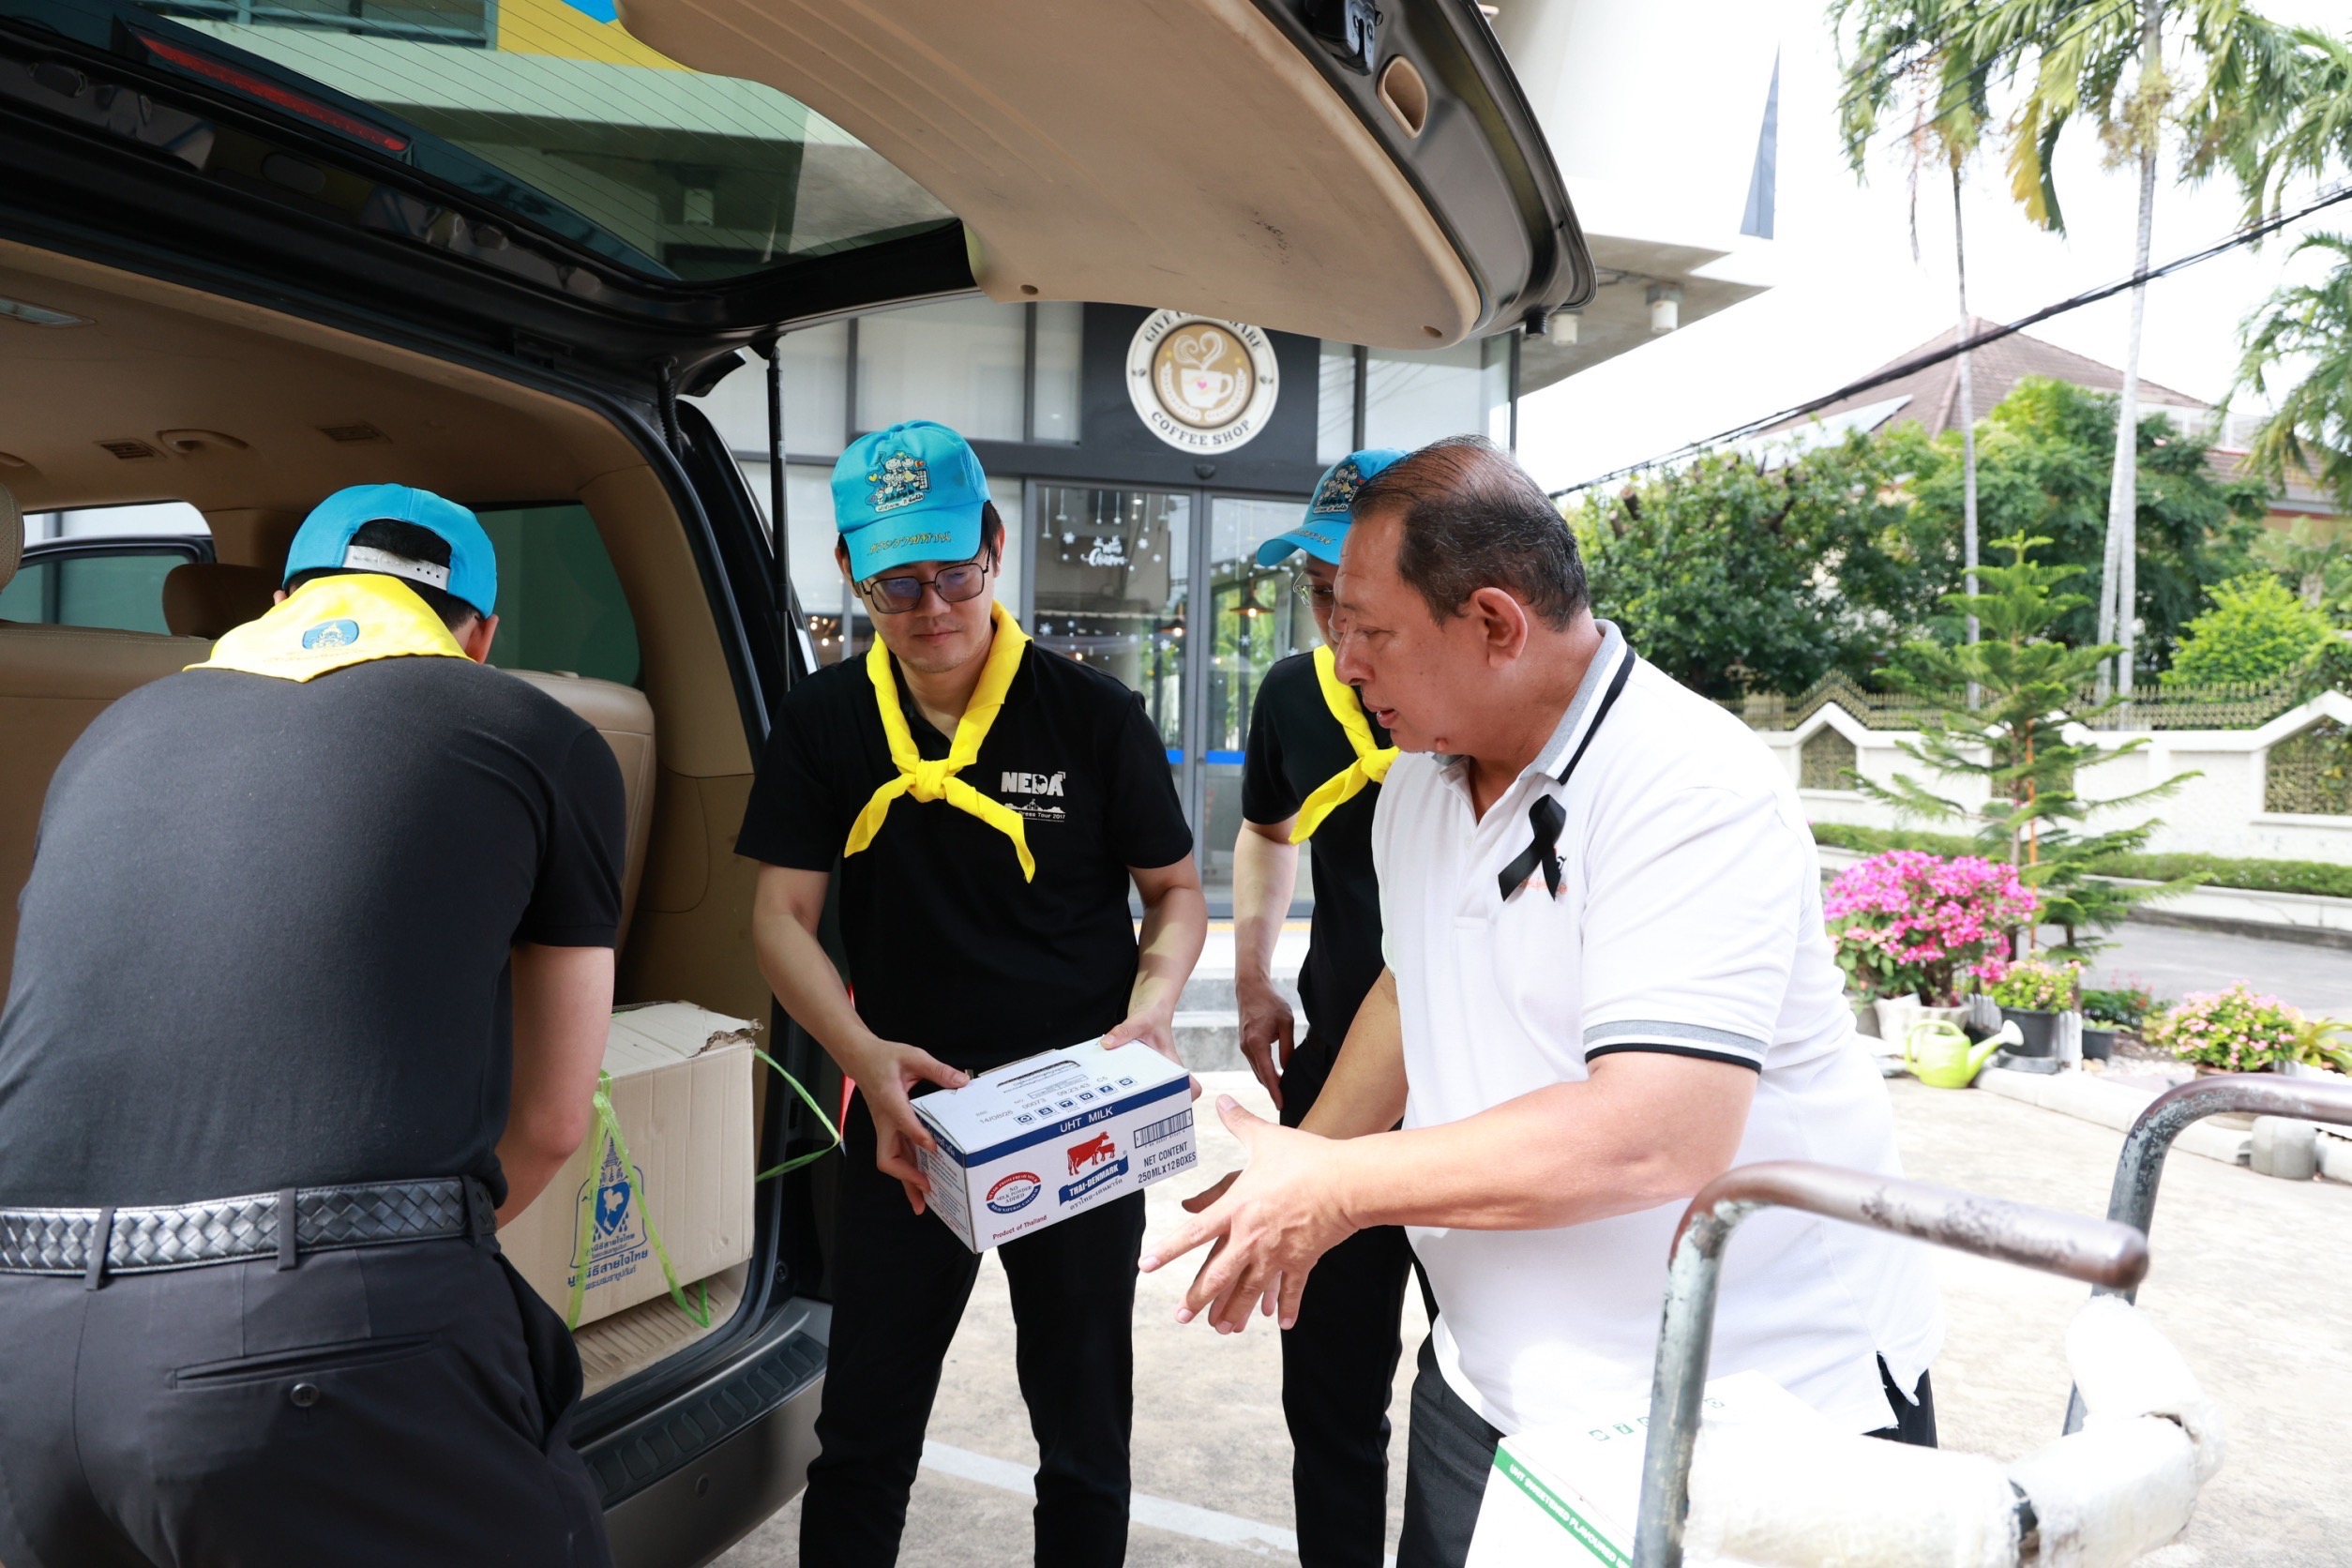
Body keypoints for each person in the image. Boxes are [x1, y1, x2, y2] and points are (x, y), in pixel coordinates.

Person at [1145, 438, 1944, 1567]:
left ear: (1493, 623)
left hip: (1747, 1408)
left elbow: (1653, 1135)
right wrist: (1300, 1162)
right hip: (1491, 1392)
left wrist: (1339, 1189)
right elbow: (1412, 991)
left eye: (1367, 629)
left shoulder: (1686, 786)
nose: (1341, 658)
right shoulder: (1418, 786)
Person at [0, 484, 623, 1566]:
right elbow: (554, 1121)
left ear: (281, 599)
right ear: (481, 635)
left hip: (21, 1332)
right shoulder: (537, 732)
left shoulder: (108, 733)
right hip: (303, 1342)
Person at [738, 419, 1207, 1568]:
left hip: (1075, 1111)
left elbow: (1176, 891)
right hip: (907, 1116)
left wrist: (1151, 1007)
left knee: (1083, 1433)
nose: (933, 606)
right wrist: (862, 1056)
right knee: (863, 1433)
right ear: (849, 570)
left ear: (995, 545)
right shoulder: (825, 719)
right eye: (897, 583)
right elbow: (778, 916)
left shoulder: (1092, 715)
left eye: (954, 571)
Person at [1230, 447, 1420, 1568]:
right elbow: (1267, 830)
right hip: (1335, 1067)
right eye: (1318, 592)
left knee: (1489, 1374)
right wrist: (1253, 976)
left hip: (1477, 1090)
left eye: (1362, 598)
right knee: (1333, 1386)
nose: (1341, 631)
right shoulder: (1294, 695)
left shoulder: (1466, 715)